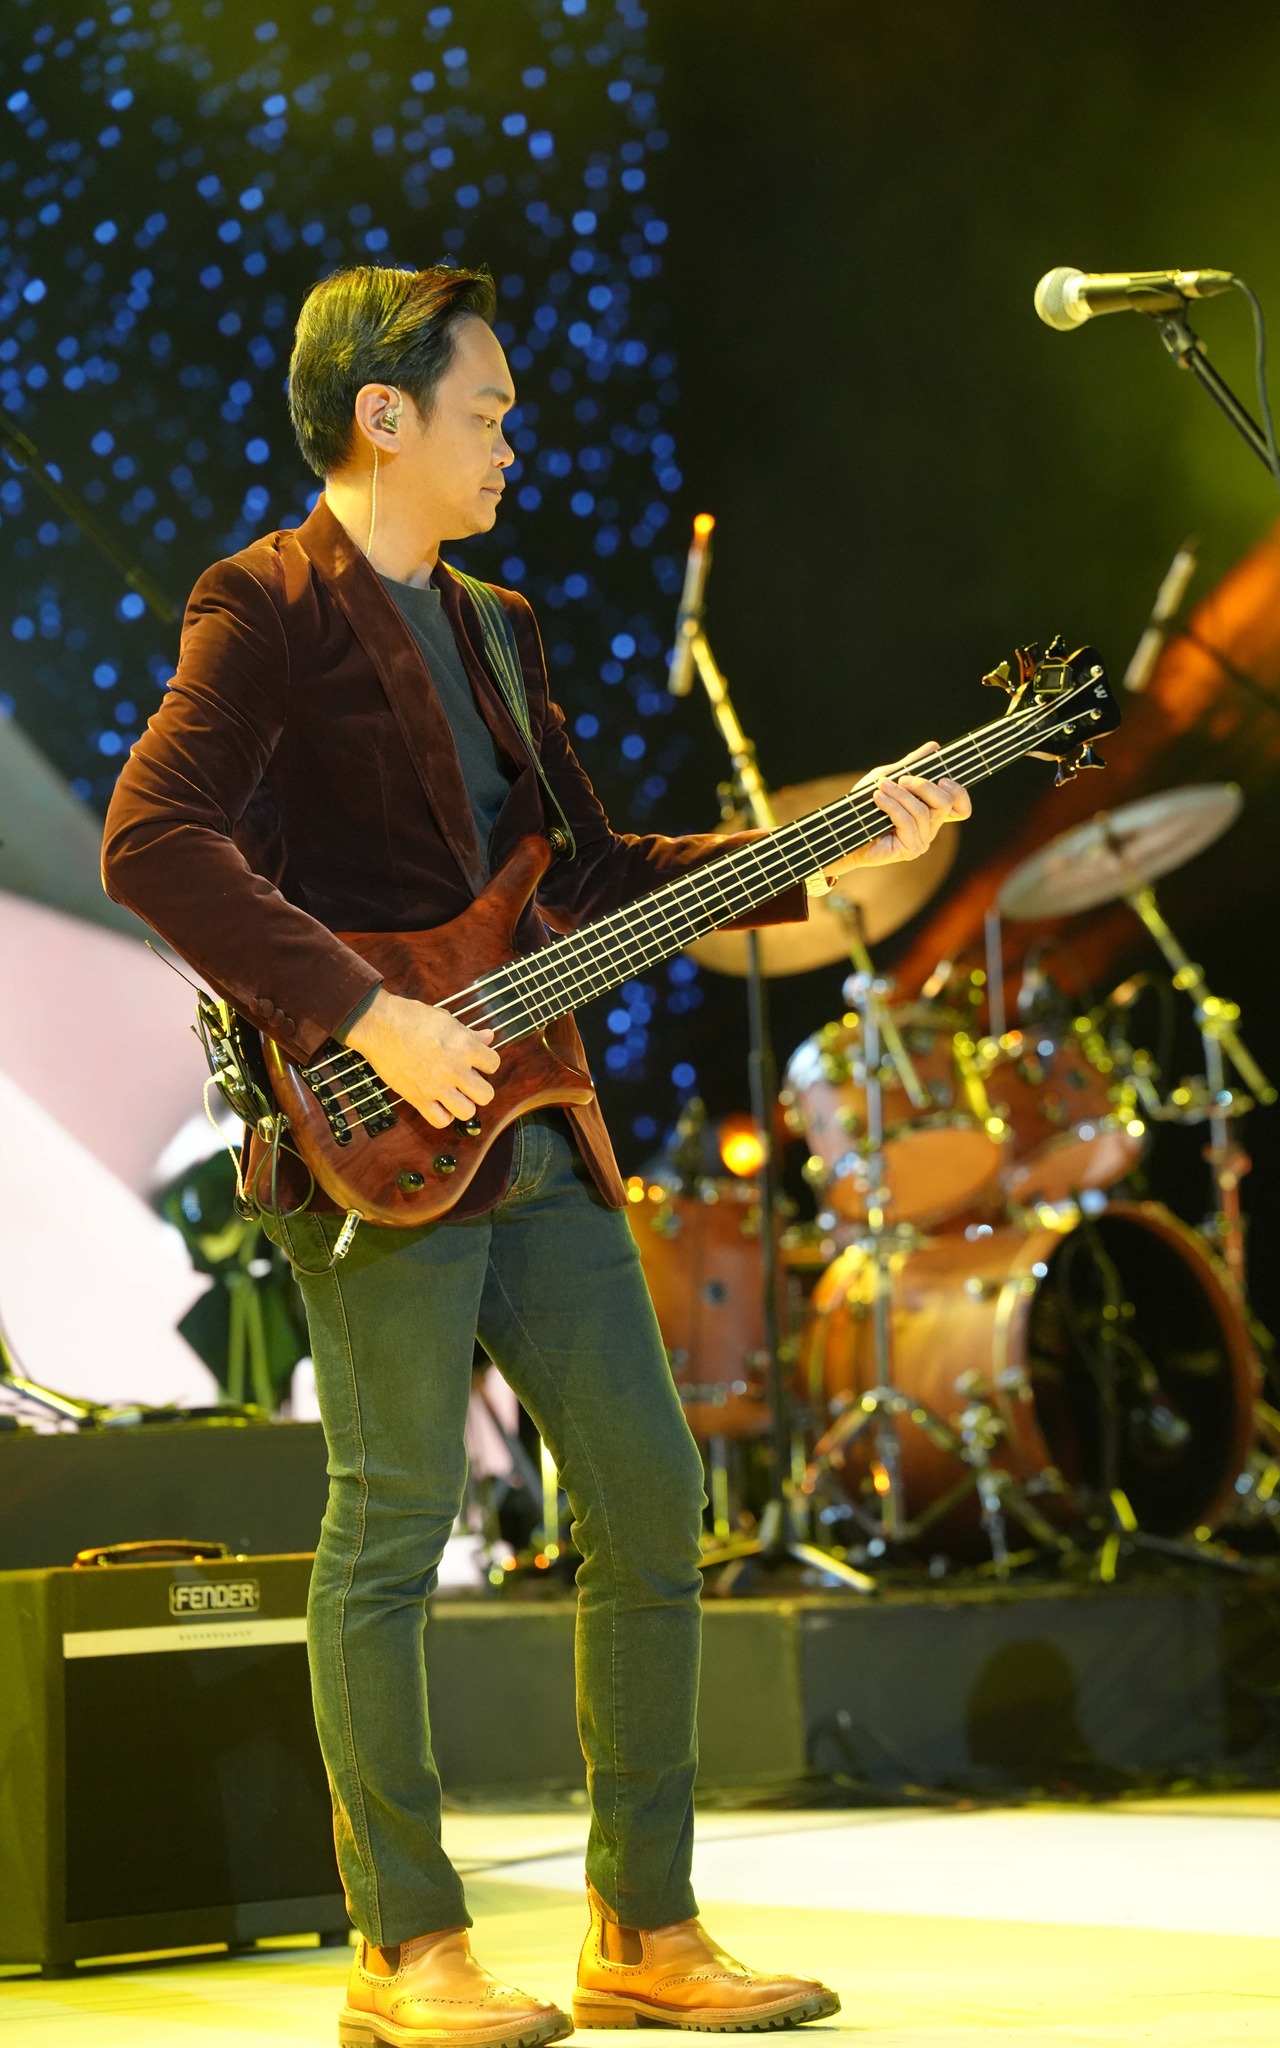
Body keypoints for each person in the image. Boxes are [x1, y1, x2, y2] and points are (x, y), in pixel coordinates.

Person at [102, 263, 970, 2046]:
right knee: (392, 1525)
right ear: (384, 417)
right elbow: (151, 840)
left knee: (651, 1498)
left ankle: (642, 1926)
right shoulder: (262, 603)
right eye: (486, 412)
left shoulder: (498, 625)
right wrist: (367, 1018)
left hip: (536, 1119)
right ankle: (404, 1949)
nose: (514, 442)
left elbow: (585, 874)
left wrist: (828, 848)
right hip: (371, 1134)